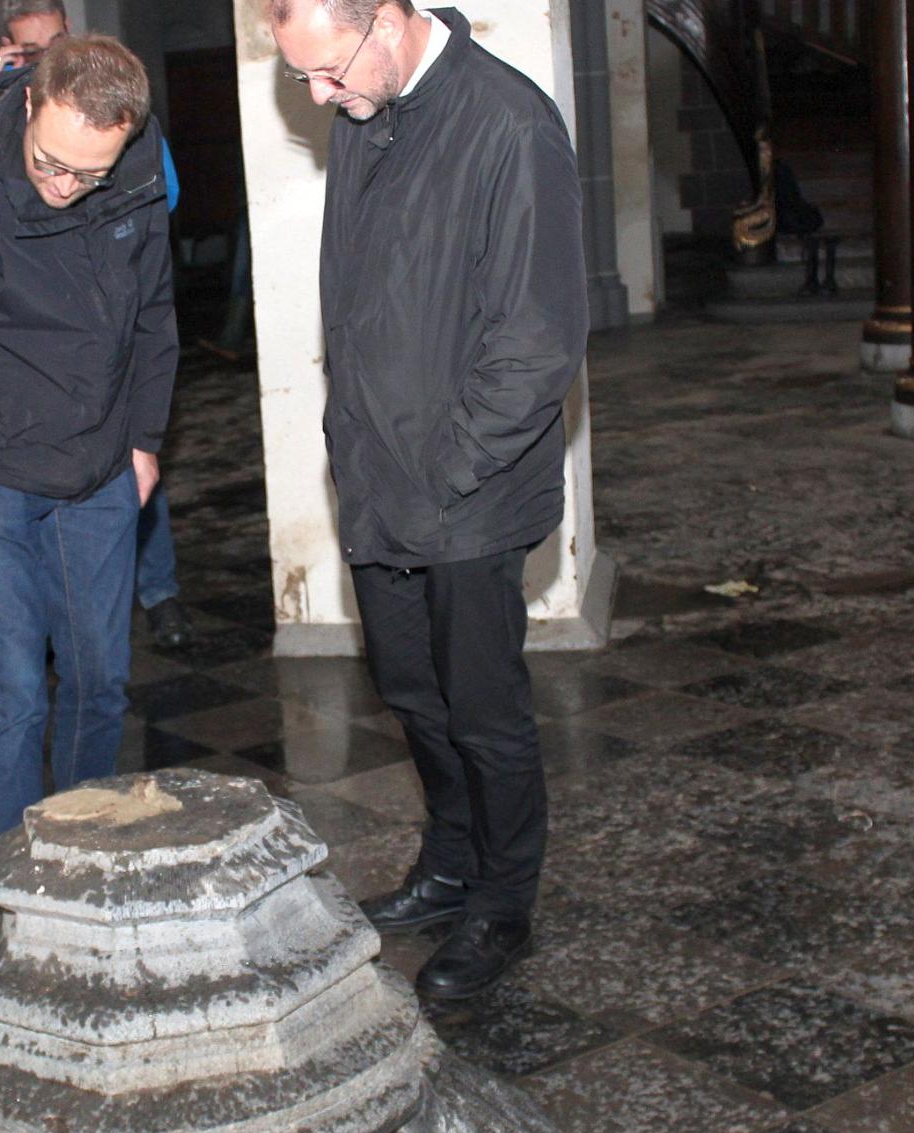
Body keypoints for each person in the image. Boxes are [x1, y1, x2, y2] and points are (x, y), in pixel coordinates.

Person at [266, 0, 586, 1000]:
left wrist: (449, 467)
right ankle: (449, 864)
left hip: (466, 490)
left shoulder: (510, 125)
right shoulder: (366, 110)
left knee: (483, 709)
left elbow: (537, 338)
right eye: (302, 79)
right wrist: (355, 444)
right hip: (377, 476)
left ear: (387, 18)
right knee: (409, 687)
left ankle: (501, 901)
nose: (321, 95)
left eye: (329, 71)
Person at [0, 36, 177, 909]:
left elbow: (154, 311)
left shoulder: (132, 166)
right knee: (13, 695)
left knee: (99, 682)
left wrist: (144, 436)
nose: (66, 185)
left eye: (90, 173)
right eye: (51, 163)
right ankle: (11, 903)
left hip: (100, 466)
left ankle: (79, 875)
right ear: (28, 102)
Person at [0, 0, 195, 650]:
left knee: (136, 464)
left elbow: (164, 195)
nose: (46, 57)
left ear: (70, 36)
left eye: (54, 42)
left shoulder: (119, 114)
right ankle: (63, 624)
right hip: (42, 350)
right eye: (29, 52)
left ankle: (158, 591)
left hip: (112, 327)